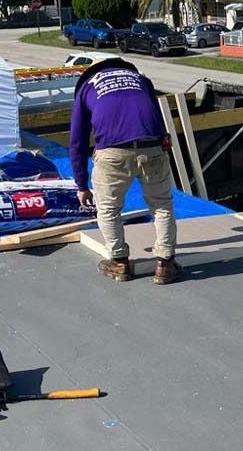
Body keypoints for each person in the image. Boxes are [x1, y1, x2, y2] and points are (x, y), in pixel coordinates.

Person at [69, 58, 178, 284]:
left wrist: (81, 185)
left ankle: (119, 262)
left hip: (112, 152)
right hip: (152, 147)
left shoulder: (88, 86)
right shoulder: (141, 80)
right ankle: (165, 265)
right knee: (161, 204)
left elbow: (77, 140)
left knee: (108, 209)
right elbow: (155, 117)